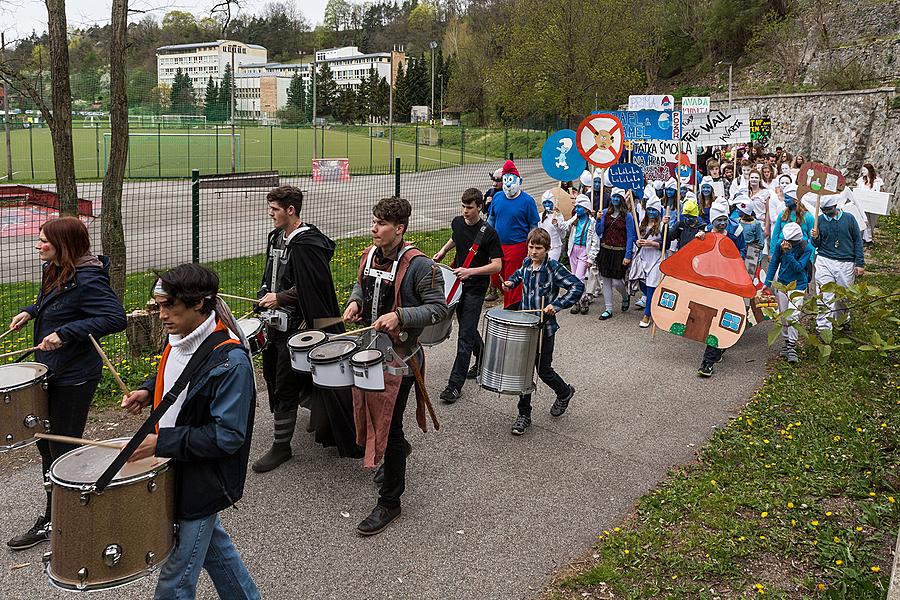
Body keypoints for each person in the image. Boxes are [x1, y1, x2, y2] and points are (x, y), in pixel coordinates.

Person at [121, 264, 258, 599]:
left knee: (174, 580)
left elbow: (228, 436)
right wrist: (147, 388)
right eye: (158, 306)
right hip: (177, 466)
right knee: (216, 551)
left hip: (201, 477)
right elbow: (183, 378)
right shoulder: (180, 340)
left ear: (199, 303)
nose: (162, 315)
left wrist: (162, 442)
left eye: (169, 306)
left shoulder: (231, 362)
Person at [6, 217, 126, 551]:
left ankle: (62, 518)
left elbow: (116, 317)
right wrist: (32, 311)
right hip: (52, 371)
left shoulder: (88, 279)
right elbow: (57, 301)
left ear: (64, 245)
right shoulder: (58, 267)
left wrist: (64, 333)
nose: (37, 245)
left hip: (74, 377)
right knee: (46, 444)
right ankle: (59, 511)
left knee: (62, 449)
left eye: (43, 240)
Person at [343, 196, 449, 536]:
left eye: (381, 224)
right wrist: (355, 302)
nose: (373, 228)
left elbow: (438, 310)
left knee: (391, 425)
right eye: (374, 221)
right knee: (375, 416)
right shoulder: (371, 254)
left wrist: (400, 315)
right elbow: (362, 284)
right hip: (370, 352)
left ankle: (390, 502)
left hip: (401, 359)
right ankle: (395, 454)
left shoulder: (420, 266)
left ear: (399, 229)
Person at [253, 186, 360, 473]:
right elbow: (270, 274)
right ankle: (320, 414)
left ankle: (281, 446)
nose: (270, 214)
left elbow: (313, 289)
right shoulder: (276, 238)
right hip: (274, 324)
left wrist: (280, 297)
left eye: (274, 209)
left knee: (287, 382)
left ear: (291, 210)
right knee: (274, 377)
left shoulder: (308, 244)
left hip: (301, 327)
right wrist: (265, 293)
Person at [502, 228, 582, 435]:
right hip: (526, 327)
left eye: (538, 248)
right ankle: (523, 415)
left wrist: (557, 305)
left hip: (545, 328)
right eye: (531, 247)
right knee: (525, 371)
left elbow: (577, 286)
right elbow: (519, 275)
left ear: (547, 250)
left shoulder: (553, 268)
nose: (533, 252)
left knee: (544, 371)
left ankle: (564, 392)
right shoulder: (527, 263)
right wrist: (511, 282)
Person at [433, 188, 503, 403]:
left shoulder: (489, 233)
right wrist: (444, 250)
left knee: (464, 336)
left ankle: (454, 386)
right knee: (468, 327)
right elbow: (456, 238)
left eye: (470, 207)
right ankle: (482, 357)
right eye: (463, 206)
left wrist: (470, 271)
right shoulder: (457, 222)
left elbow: (497, 265)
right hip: (459, 284)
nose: (465, 211)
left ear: (479, 207)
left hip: (476, 287)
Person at [696, 199, 746, 378]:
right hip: (710, 282)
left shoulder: (735, 234)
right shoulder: (704, 234)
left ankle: (707, 363)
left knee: (722, 318)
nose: (723, 223)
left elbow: (742, 252)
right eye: (719, 220)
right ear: (712, 221)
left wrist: (732, 261)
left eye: (725, 219)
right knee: (711, 318)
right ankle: (717, 349)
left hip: (729, 282)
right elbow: (696, 255)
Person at [487, 159, 540, 310]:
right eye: (505, 180)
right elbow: (491, 220)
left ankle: (511, 309)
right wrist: (486, 240)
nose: (508, 184)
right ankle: (511, 300)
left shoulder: (527, 201)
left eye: (511, 180)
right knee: (496, 276)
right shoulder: (497, 198)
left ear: (519, 181)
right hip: (498, 245)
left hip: (517, 247)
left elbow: (533, 226)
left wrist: (531, 248)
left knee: (512, 279)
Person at [810, 193, 865, 334]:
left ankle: (842, 321)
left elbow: (857, 241)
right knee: (824, 294)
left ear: (835, 206)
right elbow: (816, 244)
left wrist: (860, 263)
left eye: (828, 209)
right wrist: (815, 237)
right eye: (823, 210)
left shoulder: (849, 219)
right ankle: (823, 328)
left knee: (844, 295)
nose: (826, 212)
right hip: (824, 259)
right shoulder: (820, 220)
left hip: (846, 261)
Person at [764, 222, 814, 364]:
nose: (787, 243)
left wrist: (788, 253)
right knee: (784, 315)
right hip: (782, 284)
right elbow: (774, 264)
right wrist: (767, 284)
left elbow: (799, 268)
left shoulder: (807, 248)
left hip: (798, 285)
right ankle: (786, 342)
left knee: (794, 315)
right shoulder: (781, 244)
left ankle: (792, 344)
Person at [591, 184, 637, 320]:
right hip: (605, 250)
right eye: (614, 197)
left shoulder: (627, 216)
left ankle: (624, 296)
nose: (615, 199)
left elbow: (630, 236)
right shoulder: (604, 212)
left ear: (622, 199)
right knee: (605, 280)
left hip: (620, 251)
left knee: (617, 281)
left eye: (618, 197)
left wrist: (628, 255)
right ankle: (608, 308)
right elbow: (599, 232)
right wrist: (598, 220)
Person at [628, 196, 664, 328]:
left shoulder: (662, 225)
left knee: (651, 286)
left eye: (654, 210)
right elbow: (635, 239)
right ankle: (654, 303)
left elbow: (666, 243)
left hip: (656, 258)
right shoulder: (642, 224)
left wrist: (651, 243)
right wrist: (638, 242)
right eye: (649, 210)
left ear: (658, 212)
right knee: (642, 284)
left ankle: (647, 314)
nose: (651, 213)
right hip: (643, 257)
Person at [566, 193, 598, 315]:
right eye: (576, 207)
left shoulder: (592, 222)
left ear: (586, 209)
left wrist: (591, 258)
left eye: (579, 207)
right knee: (574, 277)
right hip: (573, 250)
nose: (577, 209)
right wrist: (557, 219)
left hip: (584, 251)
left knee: (579, 278)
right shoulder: (575, 219)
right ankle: (577, 301)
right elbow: (564, 226)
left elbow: (595, 241)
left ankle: (583, 300)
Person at [771, 183, 815, 248]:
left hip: (800, 251)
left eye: (787, 198)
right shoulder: (782, 215)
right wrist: (772, 252)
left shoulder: (808, 217)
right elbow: (775, 235)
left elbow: (811, 239)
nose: (784, 200)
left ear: (795, 200)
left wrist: (810, 257)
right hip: (782, 249)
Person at [538, 189, 569, 261]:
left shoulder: (558, 216)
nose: (547, 205)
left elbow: (563, 235)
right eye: (545, 203)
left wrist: (556, 224)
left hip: (555, 246)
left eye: (549, 202)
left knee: (551, 266)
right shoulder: (540, 216)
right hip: (543, 246)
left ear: (553, 203)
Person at [856, 163, 883, 244]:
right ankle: (865, 239)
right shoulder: (860, 180)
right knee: (863, 220)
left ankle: (868, 237)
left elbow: (881, 191)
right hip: (862, 204)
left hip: (873, 204)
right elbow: (857, 191)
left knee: (871, 221)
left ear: (869, 170)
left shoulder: (878, 180)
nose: (863, 172)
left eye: (864, 170)